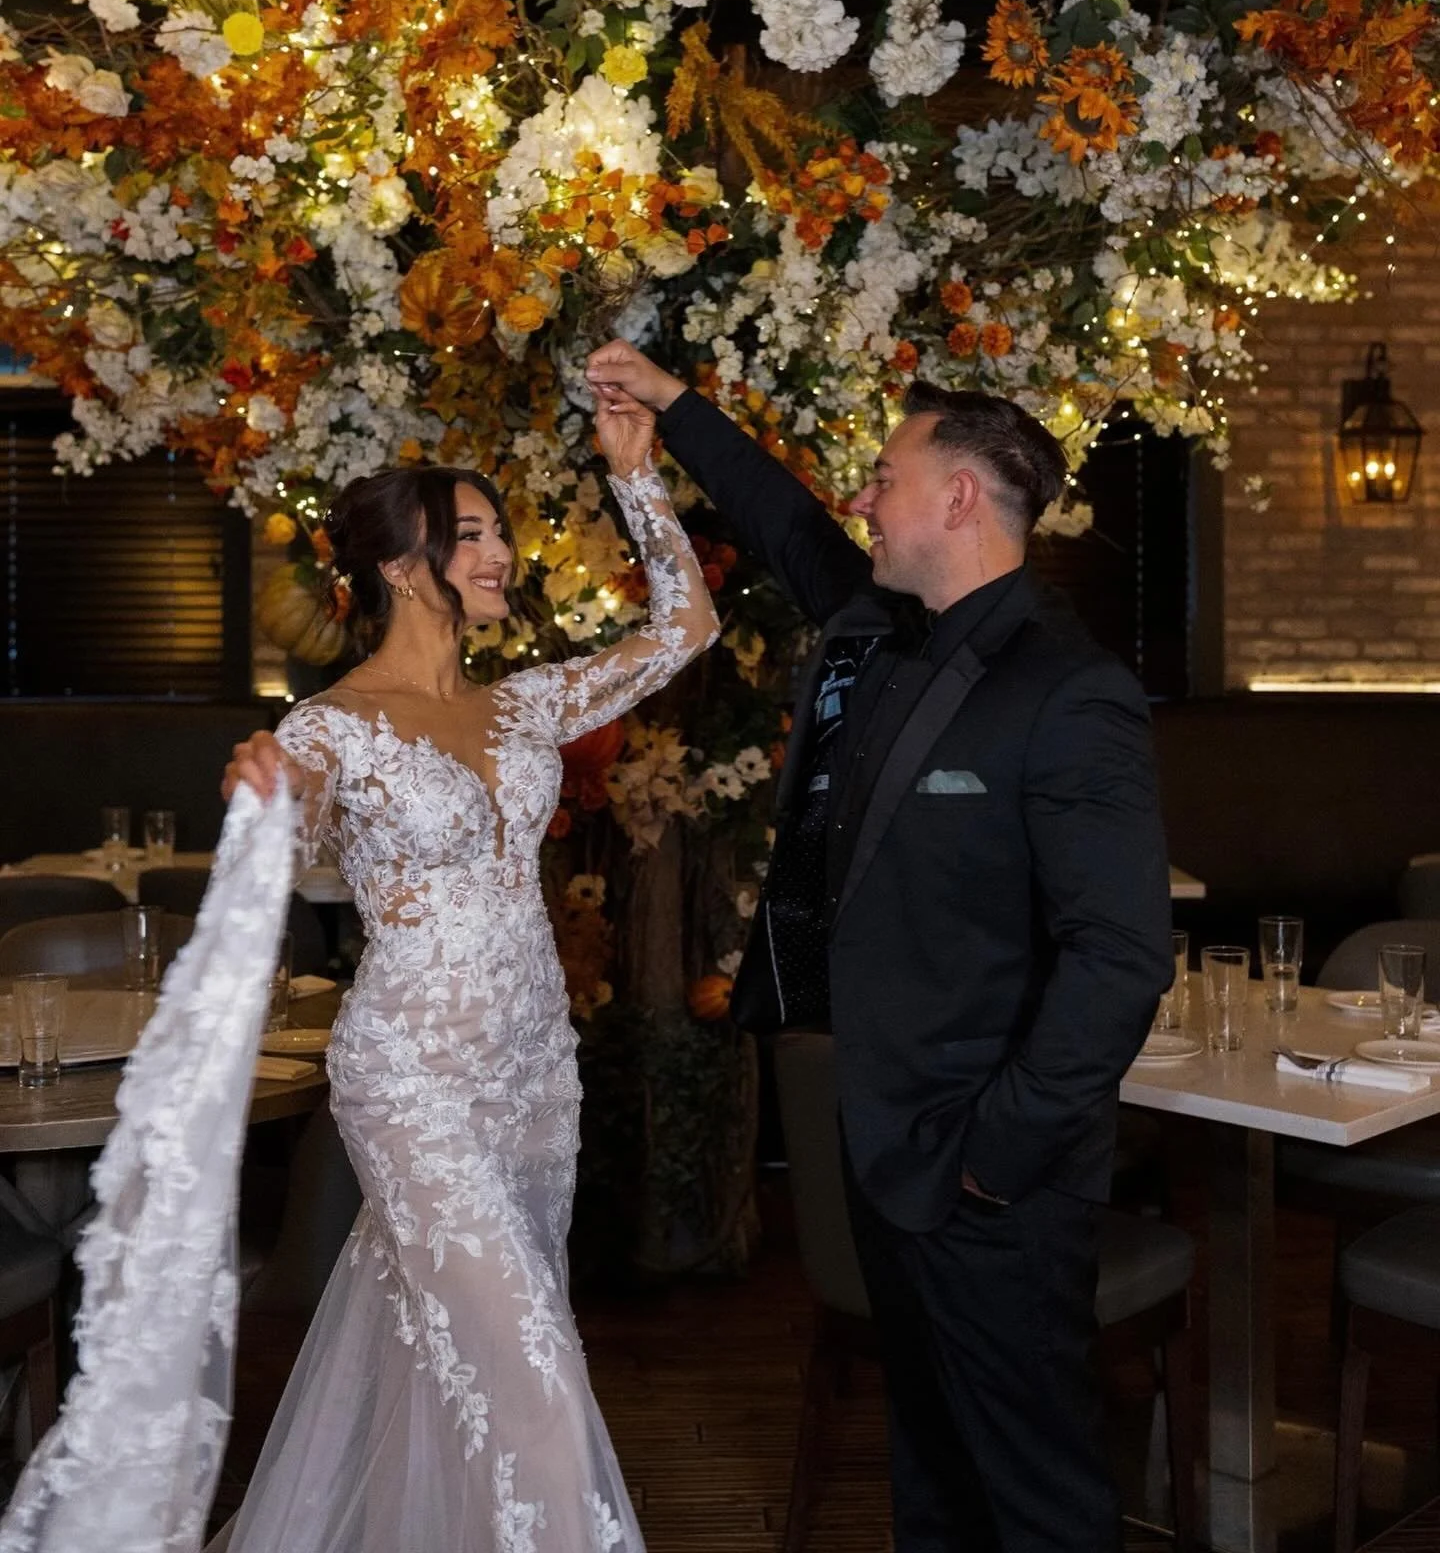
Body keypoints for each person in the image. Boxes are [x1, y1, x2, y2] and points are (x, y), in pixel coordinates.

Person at [586, 340, 1174, 1553]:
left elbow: (1119, 955)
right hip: (886, 1141)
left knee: (1040, 1499)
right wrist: (672, 404)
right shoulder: (873, 630)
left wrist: (994, 1153)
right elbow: (788, 521)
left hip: (989, 1170)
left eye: (885, 475)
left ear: (959, 497)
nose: (863, 496)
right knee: (935, 1481)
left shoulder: (1072, 693)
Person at [214, 382, 717, 1552]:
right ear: (401, 566)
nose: (503, 556)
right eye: (475, 535)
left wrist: (638, 474)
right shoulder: (328, 728)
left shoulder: (523, 707)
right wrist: (263, 802)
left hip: (535, 1077)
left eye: (499, 534)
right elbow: (283, 855)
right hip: (416, 1084)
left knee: (453, 1359)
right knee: (536, 1389)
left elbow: (683, 629)